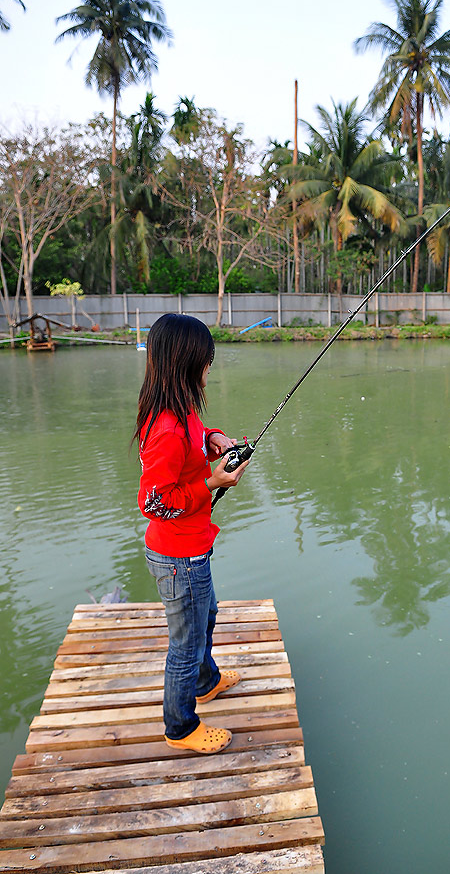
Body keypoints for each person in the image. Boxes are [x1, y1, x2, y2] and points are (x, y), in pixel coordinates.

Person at [133, 313, 249, 754]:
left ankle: (206, 681)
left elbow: (196, 436)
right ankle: (180, 727)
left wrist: (215, 438)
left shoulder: (180, 413)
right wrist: (212, 483)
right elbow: (155, 504)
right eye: (205, 360)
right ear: (185, 365)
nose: (208, 368)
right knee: (185, 644)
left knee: (208, 615)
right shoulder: (165, 428)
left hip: (193, 547)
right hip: (178, 557)